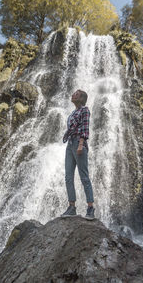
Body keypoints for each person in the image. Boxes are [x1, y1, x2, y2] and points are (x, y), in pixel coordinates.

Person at [61, 89, 95, 220]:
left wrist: (81, 144)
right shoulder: (73, 112)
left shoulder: (84, 110)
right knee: (68, 177)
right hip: (70, 144)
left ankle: (90, 208)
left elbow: (85, 128)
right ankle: (71, 207)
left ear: (81, 98)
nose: (73, 94)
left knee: (84, 177)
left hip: (78, 143)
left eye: (76, 93)